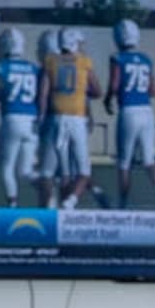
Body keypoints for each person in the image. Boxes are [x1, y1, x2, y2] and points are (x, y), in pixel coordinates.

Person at [110, 18, 155, 210]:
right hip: (146, 111)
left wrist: (108, 98)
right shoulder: (146, 60)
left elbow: (115, 85)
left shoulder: (118, 59)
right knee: (149, 160)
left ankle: (123, 204)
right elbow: (153, 91)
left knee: (124, 163)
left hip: (129, 110)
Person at [42, 28, 96, 209]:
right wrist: (82, 90)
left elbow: (44, 94)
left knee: (54, 171)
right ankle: (70, 202)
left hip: (56, 118)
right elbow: (97, 90)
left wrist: (41, 117)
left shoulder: (50, 61)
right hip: (76, 119)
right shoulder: (84, 62)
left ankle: (51, 204)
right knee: (83, 172)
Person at [0, 26, 45, 204]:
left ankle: (12, 206)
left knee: (7, 167)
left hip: (12, 118)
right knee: (25, 171)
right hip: (32, 120)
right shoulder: (33, 68)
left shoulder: (1, 67)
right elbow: (40, 94)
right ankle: (48, 190)